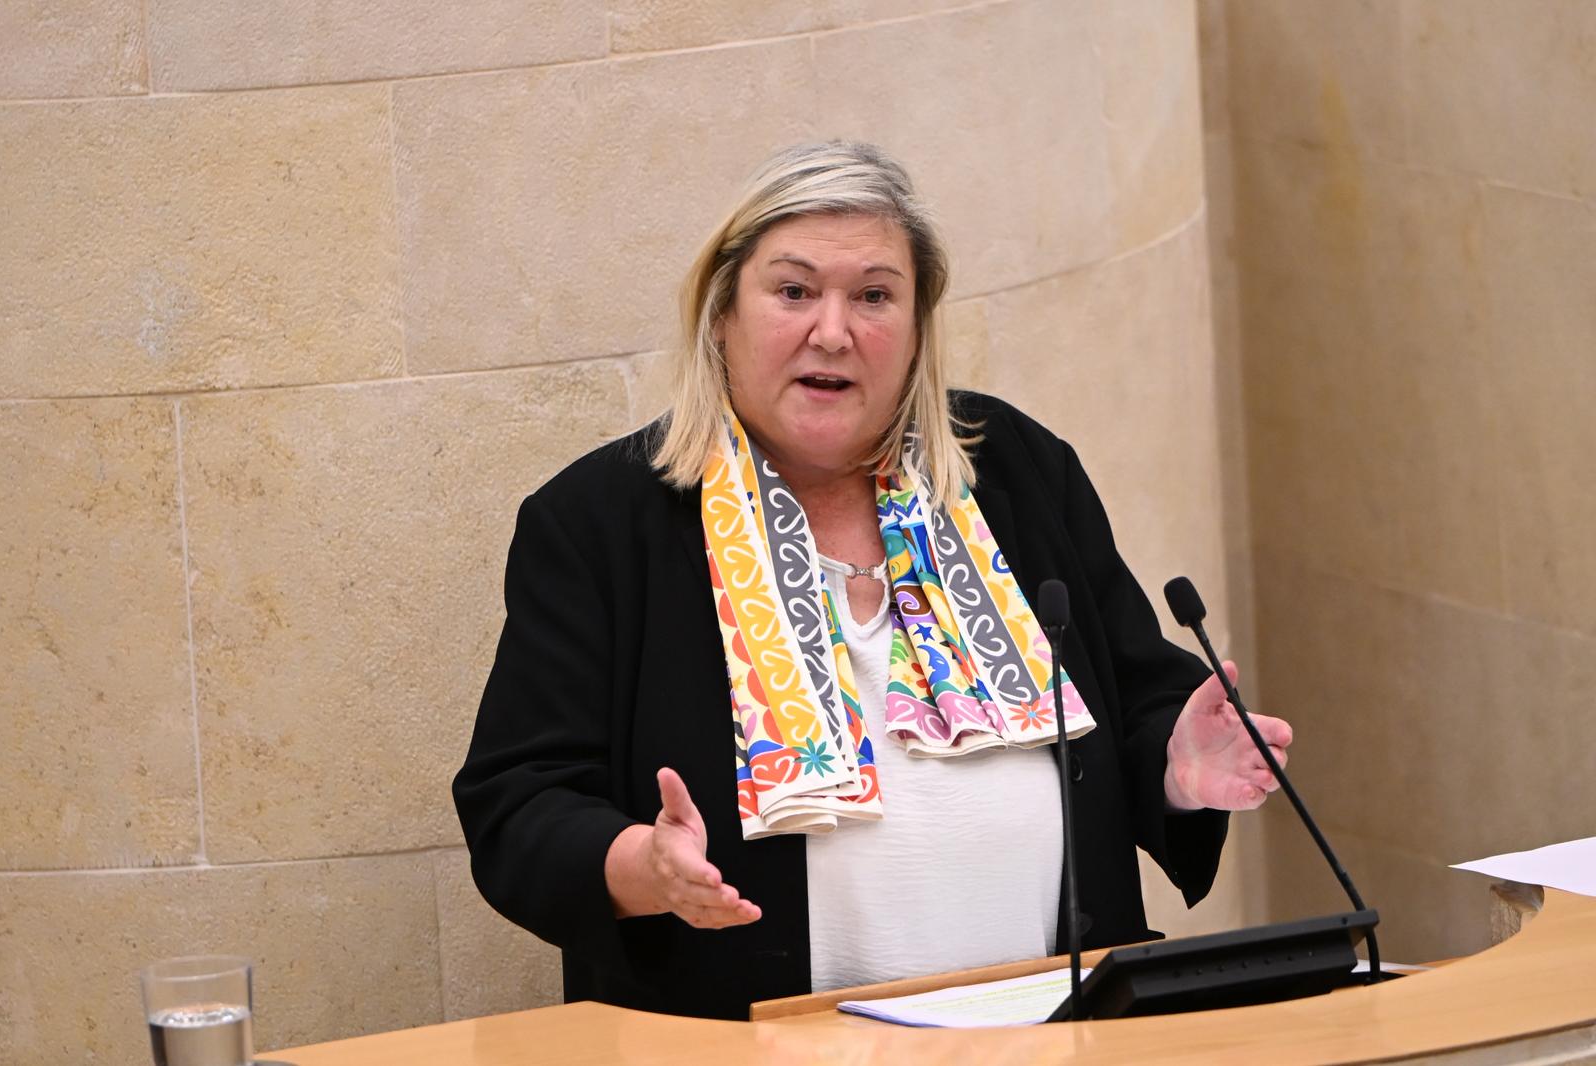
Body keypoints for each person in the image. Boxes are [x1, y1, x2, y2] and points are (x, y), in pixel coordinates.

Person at [453, 141, 1293, 1021]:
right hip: (751, 1046)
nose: (833, 331)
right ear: (721, 314)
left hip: (1058, 1034)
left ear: (918, 327)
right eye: (793, 291)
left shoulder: (1014, 472)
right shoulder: (601, 526)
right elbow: (518, 805)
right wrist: (642, 866)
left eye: (874, 296)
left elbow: (1136, 700)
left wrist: (1174, 766)